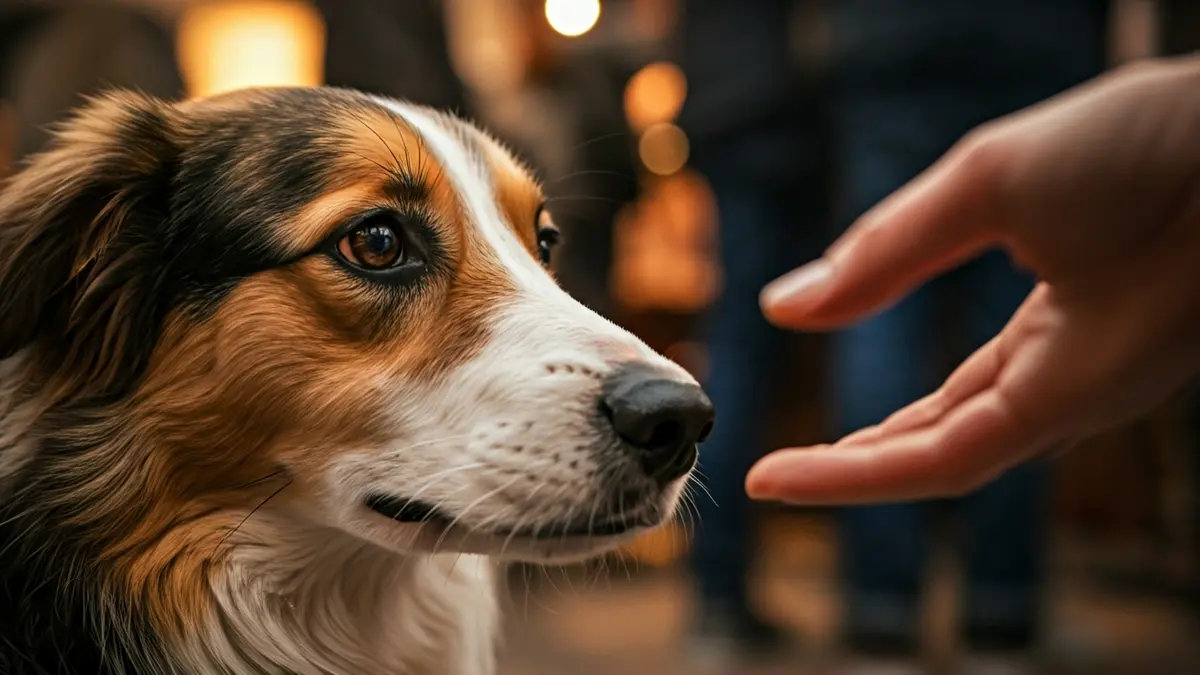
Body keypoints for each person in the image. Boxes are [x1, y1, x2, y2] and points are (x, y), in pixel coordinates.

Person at [747, 54, 1200, 509]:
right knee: (1011, 351)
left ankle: (879, 577)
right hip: (1032, 55)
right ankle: (1001, 577)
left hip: (886, 65)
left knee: (895, 334)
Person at [673, 0, 831, 660]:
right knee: (856, 316)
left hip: (722, 101)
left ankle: (717, 597)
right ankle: (885, 599)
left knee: (737, 341)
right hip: (790, 106)